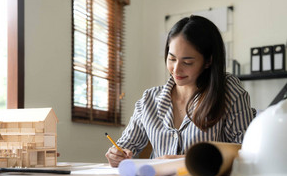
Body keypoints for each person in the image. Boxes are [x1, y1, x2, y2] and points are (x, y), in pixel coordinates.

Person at [105, 15, 256, 167]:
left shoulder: (228, 91)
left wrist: (187, 161)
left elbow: (246, 150)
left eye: (187, 62)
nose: (176, 69)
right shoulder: (149, 99)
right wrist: (117, 154)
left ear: (208, 61)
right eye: (171, 59)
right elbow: (126, 146)